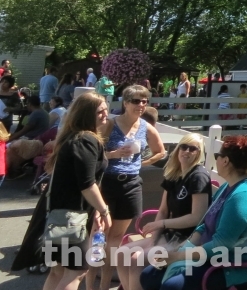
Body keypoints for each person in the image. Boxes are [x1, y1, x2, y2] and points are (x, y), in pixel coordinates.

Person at [139, 135, 247, 290]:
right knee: (149, 275)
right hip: (211, 258)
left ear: (225, 161)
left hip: (234, 266)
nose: (217, 160)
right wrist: (181, 249)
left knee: (172, 287)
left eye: (217, 156)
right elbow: (203, 226)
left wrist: (177, 257)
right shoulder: (226, 187)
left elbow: (219, 246)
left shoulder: (242, 196)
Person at [15, 92, 112, 289]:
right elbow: (87, 183)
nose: (106, 114)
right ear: (86, 114)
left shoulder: (73, 137)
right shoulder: (86, 140)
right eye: (100, 111)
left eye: (106, 110)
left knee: (58, 270)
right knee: (76, 271)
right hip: (70, 217)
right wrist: (104, 210)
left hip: (57, 215)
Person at [93, 85, 166, 290]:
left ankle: (105, 284)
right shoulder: (109, 124)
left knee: (116, 238)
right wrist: (114, 154)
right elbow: (93, 155)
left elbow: (160, 152)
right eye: (136, 101)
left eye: (144, 101)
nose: (141, 105)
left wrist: (141, 163)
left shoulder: (146, 127)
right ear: (125, 103)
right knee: (100, 235)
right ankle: (93, 280)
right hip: (107, 183)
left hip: (131, 184)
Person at [117, 133, 211, 290]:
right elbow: (163, 211)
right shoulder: (174, 174)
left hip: (187, 240)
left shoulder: (199, 176)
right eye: (184, 146)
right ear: (178, 148)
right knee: (121, 254)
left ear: (199, 153)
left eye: (193, 148)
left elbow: (197, 217)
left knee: (136, 260)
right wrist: (154, 238)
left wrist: (161, 223)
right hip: (169, 235)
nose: (187, 151)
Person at [6, 95, 51, 173]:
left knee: (8, 145)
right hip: (39, 138)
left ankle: (13, 167)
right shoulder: (43, 112)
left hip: (33, 138)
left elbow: (24, 131)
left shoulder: (35, 114)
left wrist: (10, 139)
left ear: (29, 104)